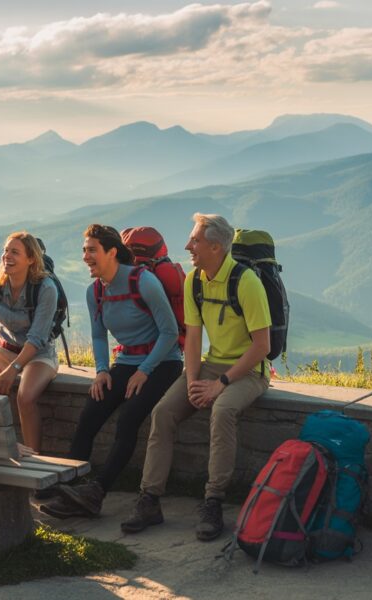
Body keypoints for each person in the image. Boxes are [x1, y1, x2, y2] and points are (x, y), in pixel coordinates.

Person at [120, 213, 271, 542]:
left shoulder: (246, 283)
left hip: (248, 371)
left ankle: (213, 501)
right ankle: (150, 500)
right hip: (210, 366)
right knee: (162, 412)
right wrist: (191, 382)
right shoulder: (195, 280)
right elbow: (192, 336)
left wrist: (221, 384)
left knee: (223, 410)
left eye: (195, 241)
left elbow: (262, 346)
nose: (188, 245)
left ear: (216, 247)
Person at [41, 224, 182, 519]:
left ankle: (96, 492)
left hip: (163, 362)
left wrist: (145, 371)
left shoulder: (144, 282)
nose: (85, 256)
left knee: (129, 418)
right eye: (84, 250)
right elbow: (98, 336)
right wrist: (102, 371)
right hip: (126, 362)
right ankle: (68, 488)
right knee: (90, 415)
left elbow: (169, 332)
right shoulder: (96, 291)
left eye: (92, 250)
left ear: (112, 252)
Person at [0, 231, 59, 453]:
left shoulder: (46, 289)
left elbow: (37, 339)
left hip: (39, 354)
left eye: (15, 252)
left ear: (31, 259)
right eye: (6, 251)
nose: (7, 256)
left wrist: (14, 368)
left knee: (25, 398)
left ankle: (35, 462)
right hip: (4, 348)